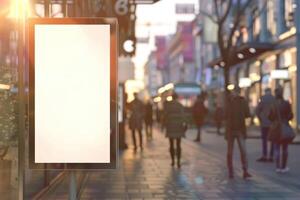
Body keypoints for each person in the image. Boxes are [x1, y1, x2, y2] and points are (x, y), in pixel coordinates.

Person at [226, 86, 252, 179]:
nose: (234, 93)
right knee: (240, 151)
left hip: (235, 130)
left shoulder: (231, 102)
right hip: (236, 129)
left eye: (234, 92)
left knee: (235, 151)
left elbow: (247, 114)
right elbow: (248, 115)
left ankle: (235, 171)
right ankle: (239, 171)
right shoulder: (234, 102)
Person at [268, 87, 293, 173]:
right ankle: (284, 166)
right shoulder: (286, 103)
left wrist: (274, 121)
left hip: (275, 128)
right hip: (284, 126)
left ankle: (278, 167)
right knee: (285, 148)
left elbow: (269, 116)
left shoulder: (273, 104)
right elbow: (291, 116)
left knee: (276, 147)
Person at [164, 93, 186, 168]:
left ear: (172, 97)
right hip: (178, 126)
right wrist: (184, 125)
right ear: (177, 98)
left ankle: (173, 161)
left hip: (170, 127)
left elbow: (165, 115)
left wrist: (165, 124)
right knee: (178, 145)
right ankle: (178, 162)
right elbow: (183, 116)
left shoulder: (169, 106)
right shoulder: (180, 105)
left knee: (171, 144)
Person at [255, 88, 275, 162]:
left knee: (264, 140)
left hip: (264, 123)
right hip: (272, 123)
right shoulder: (274, 99)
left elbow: (257, 110)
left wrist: (260, 118)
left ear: (265, 92)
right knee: (273, 139)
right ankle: (271, 156)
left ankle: (264, 155)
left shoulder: (262, 99)